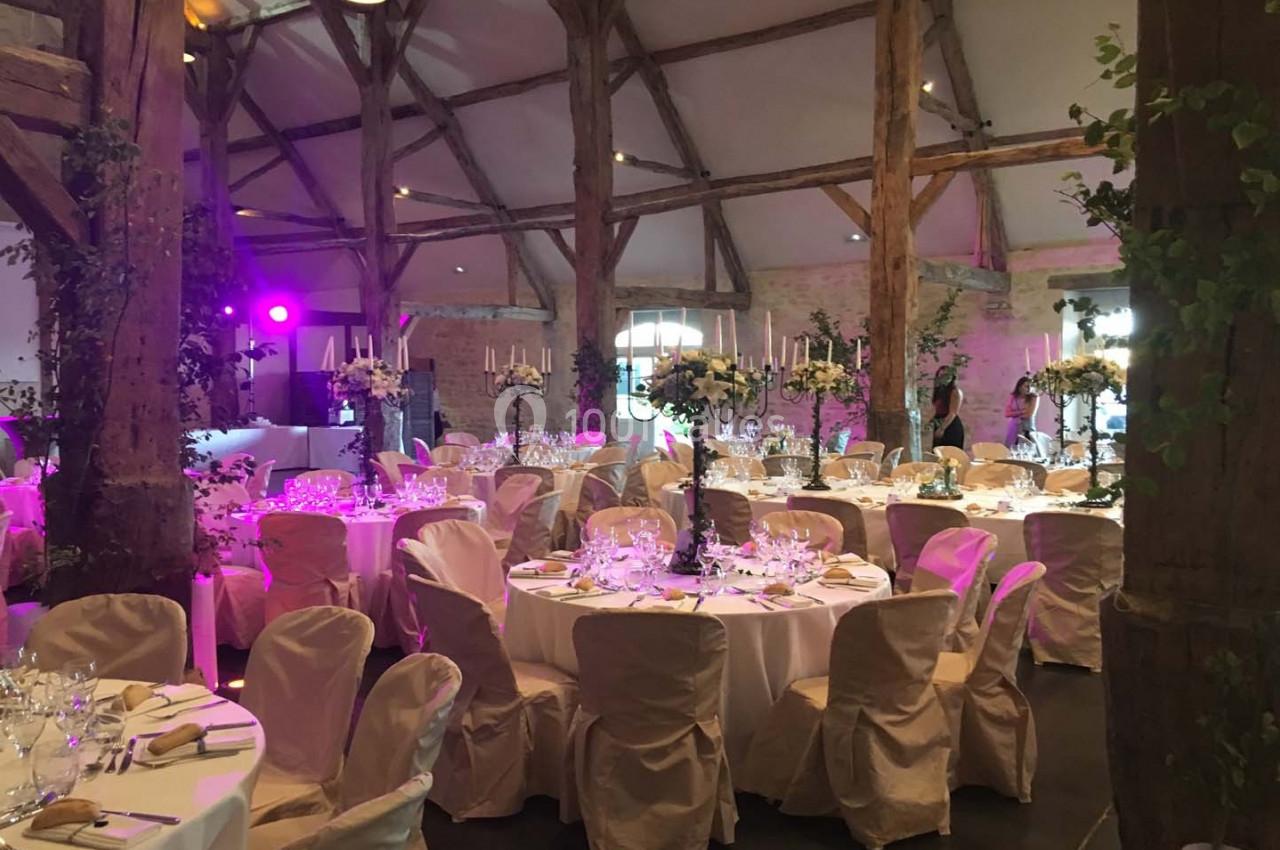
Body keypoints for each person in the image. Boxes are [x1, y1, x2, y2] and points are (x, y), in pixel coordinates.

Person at [931, 366, 965, 449]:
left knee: (950, 453)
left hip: (950, 425)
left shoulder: (955, 391)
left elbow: (953, 413)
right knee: (937, 452)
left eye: (946, 375)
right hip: (939, 422)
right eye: (940, 375)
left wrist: (942, 428)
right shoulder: (940, 391)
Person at [1003, 376, 1039, 447]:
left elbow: (1029, 414)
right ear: (1019, 387)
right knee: (1011, 448)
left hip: (1027, 428)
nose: (1029, 388)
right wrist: (1021, 412)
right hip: (1014, 427)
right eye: (1026, 386)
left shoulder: (1034, 397)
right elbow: (1007, 413)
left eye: (1030, 386)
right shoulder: (1013, 396)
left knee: (1027, 448)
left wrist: (1014, 413)